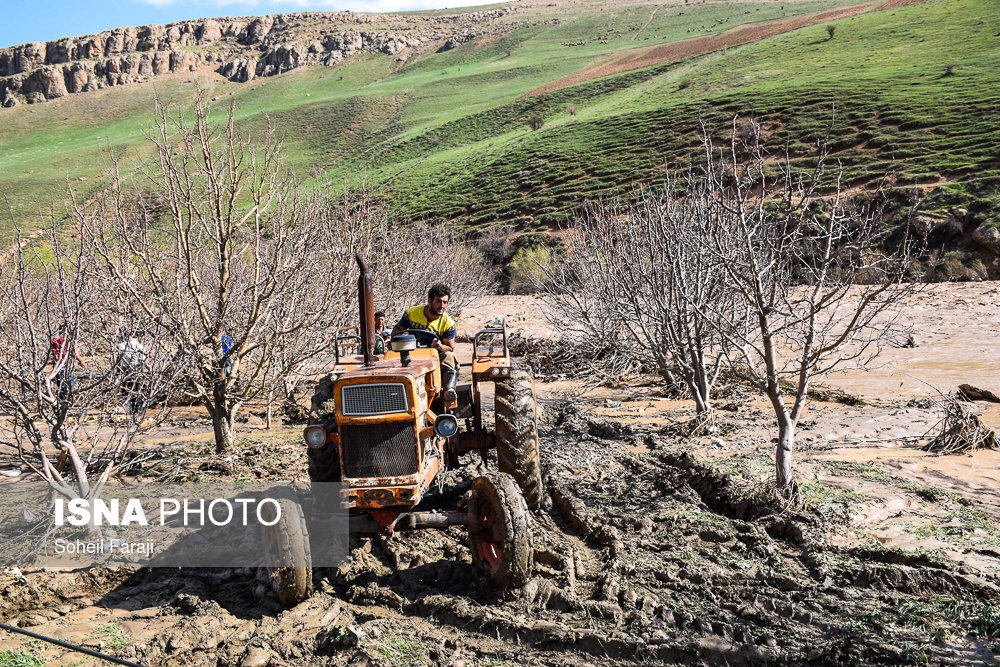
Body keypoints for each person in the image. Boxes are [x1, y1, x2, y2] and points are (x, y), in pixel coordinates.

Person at [392, 283, 459, 402]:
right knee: (390, 356)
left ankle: (449, 390)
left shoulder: (448, 323)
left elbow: (450, 347)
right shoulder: (412, 313)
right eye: (438, 301)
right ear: (430, 301)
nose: (442, 306)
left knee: (450, 356)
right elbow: (398, 329)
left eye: (445, 302)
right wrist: (395, 339)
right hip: (410, 351)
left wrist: (439, 346)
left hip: (434, 354)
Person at [50, 325, 87, 402]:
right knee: (70, 382)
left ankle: (61, 402)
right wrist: (81, 361)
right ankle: (68, 400)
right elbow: (74, 353)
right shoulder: (68, 341)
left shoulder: (54, 340)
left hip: (56, 365)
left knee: (60, 384)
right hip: (66, 364)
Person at [117, 332, 147, 416]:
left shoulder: (122, 345)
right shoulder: (140, 346)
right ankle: (136, 411)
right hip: (137, 369)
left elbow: (118, 360)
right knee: (137, 389)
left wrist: (117, 373)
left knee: (126, 390)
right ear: (138, 337)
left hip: (125, 370)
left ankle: (128, 410)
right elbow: (143, 359)